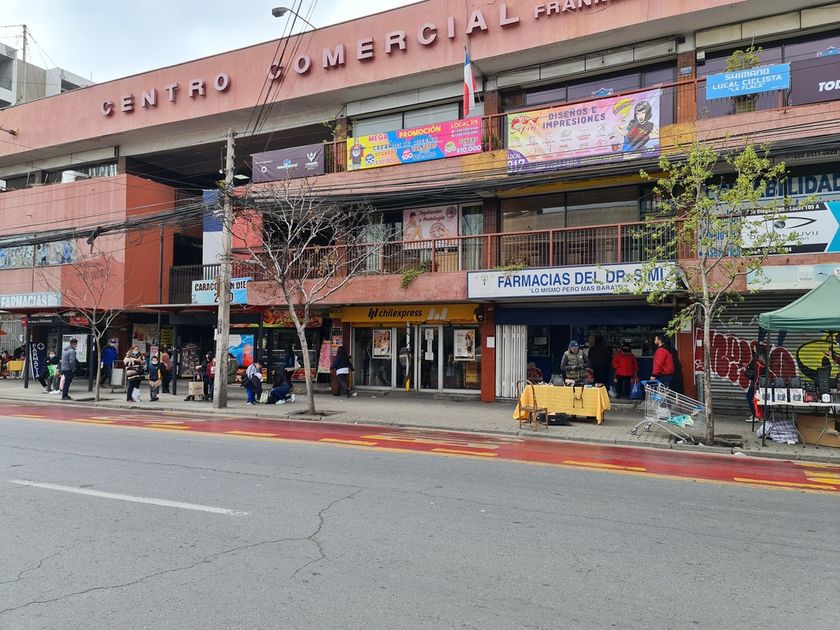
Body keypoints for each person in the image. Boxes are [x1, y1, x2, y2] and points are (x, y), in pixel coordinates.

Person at [744, 344, 767, 422]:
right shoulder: (764, 360)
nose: (752, 349)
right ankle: (761, 415)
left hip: (755, 382)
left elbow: (752, 373)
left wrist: (747, 368)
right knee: (760, 399)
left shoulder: (756, 361)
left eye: (754, 348)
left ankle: (756, 415)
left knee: (751, 398)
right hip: (762, 383)